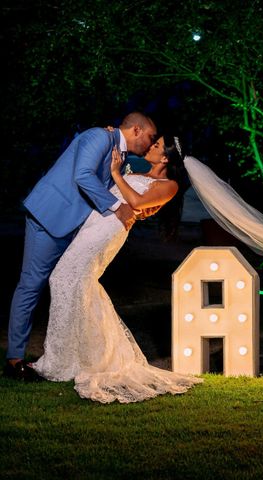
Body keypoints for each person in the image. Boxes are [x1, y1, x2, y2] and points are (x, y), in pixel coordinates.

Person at [33, 134, 202, 403]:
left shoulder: (168, 185)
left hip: (111, 228)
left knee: (63, 278)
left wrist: (116, 173)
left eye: (157, 146)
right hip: (97, 220)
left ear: (166, 158)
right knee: (78, 282)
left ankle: (62, 358)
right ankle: (81, 355)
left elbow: (135, 203)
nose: (150, 147)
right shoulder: (138, 169)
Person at [5, 112, 156, 381]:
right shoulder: (98, 136)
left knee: (71, 284)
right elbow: (83, 175)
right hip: (50, 217)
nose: (151, 142)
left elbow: (135, 178)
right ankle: (15, 359)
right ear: (136, 130)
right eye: (150, 137)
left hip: (76, 226)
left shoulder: (120, 156)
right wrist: (117, 207)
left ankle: (70, 356)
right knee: (31, 284)